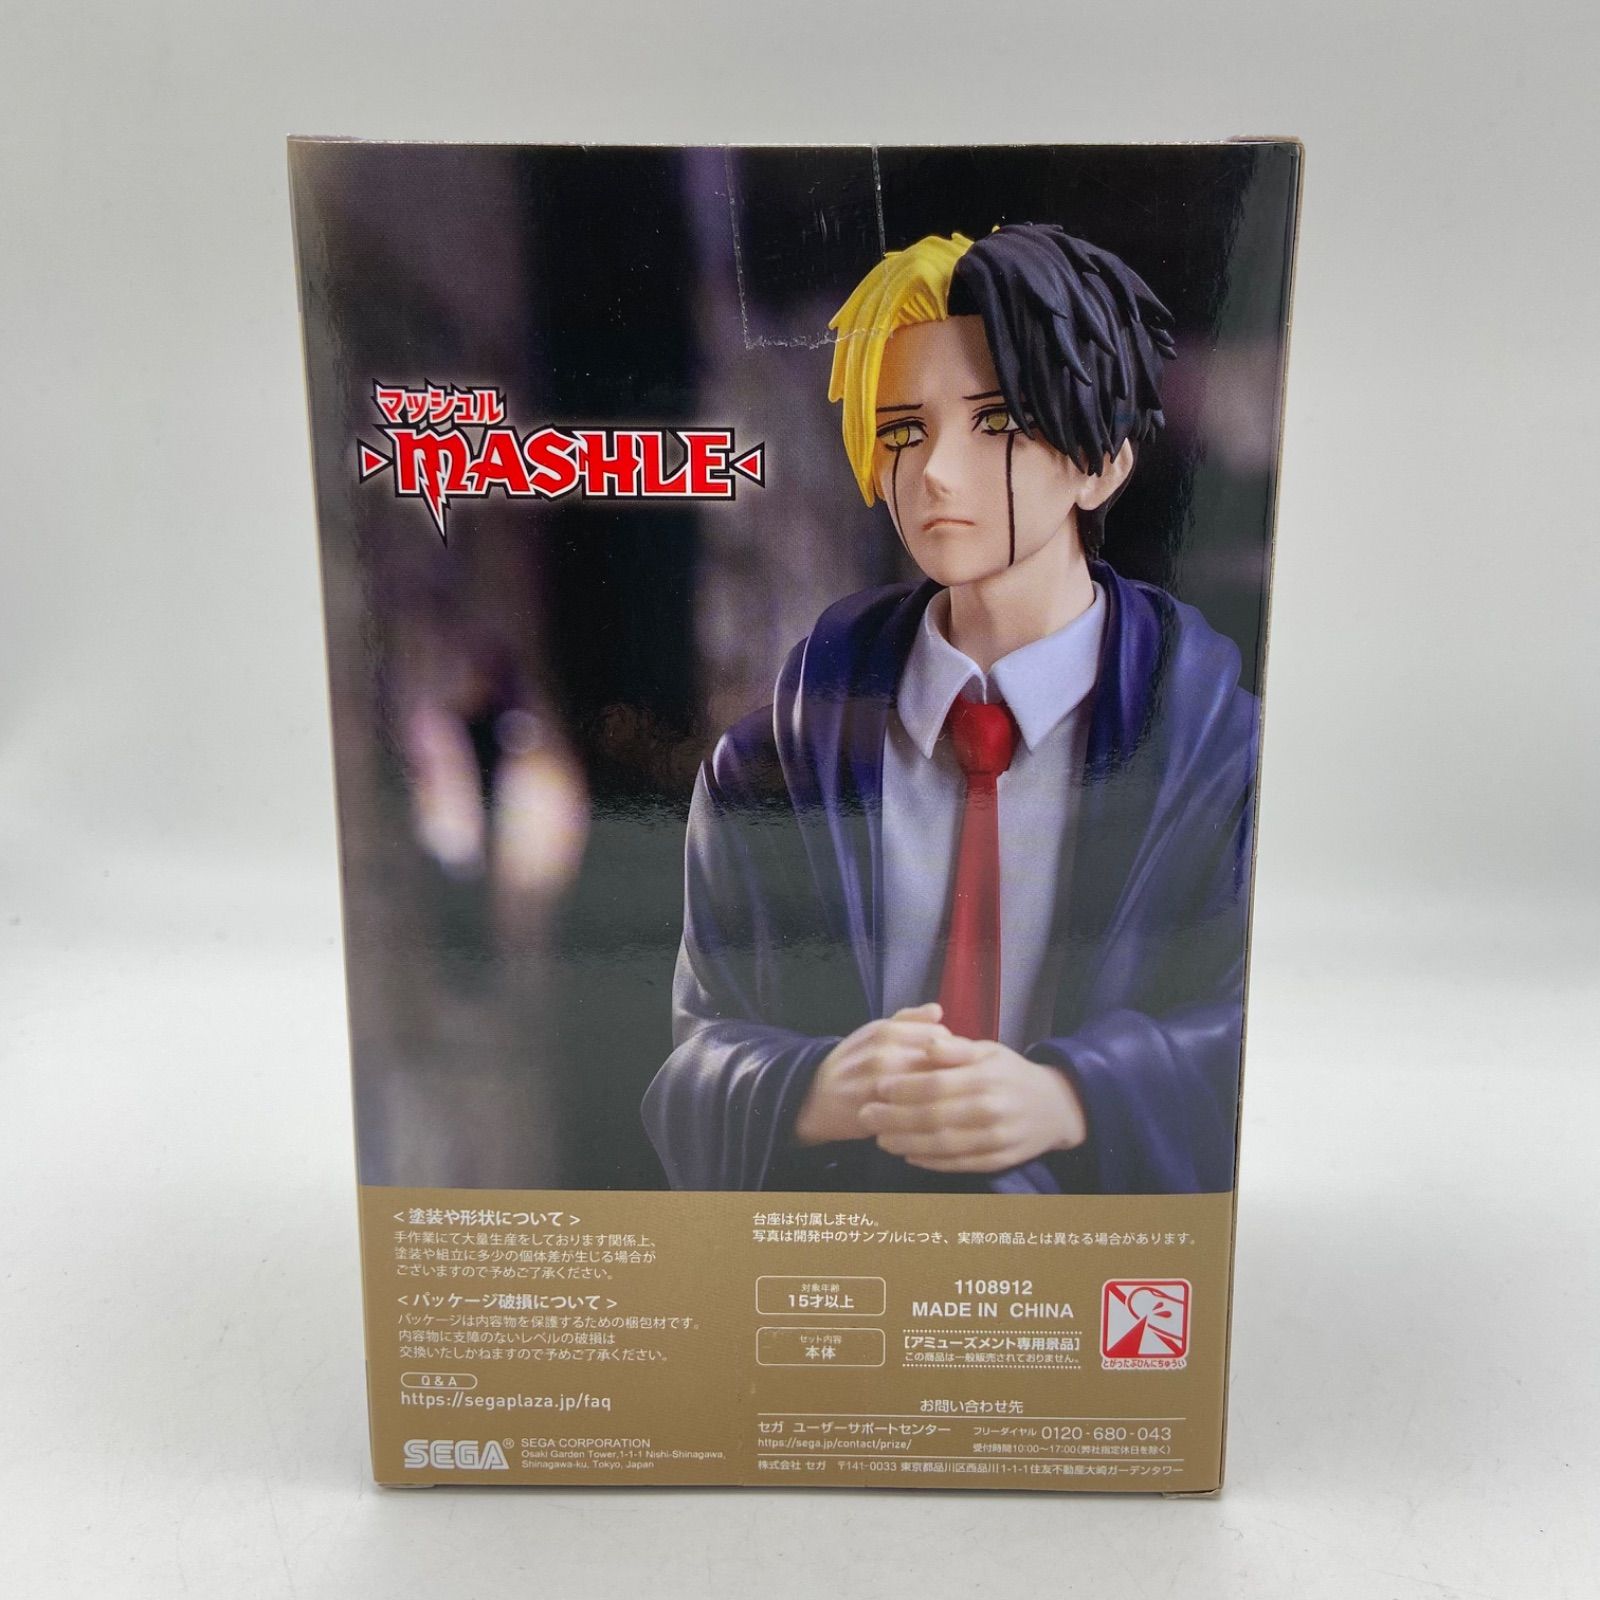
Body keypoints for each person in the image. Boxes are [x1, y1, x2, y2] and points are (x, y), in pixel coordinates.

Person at [642, 224, 1259, 1195]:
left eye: (996, 421)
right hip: (844, 1261)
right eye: (902, 430)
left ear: (1103, 460)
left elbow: (1262, 1033)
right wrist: (811, 1089)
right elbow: (693, 1059)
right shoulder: (774, 766)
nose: (933, 470)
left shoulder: (1219, 758)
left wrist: (1075, 1097)